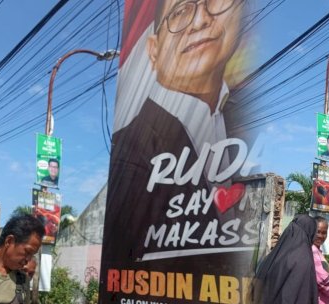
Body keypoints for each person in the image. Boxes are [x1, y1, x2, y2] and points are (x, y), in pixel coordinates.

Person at [102, 0, 248, 263]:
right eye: (181, 12)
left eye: (214, 3)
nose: (201, 20)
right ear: (153, 50)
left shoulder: (242, 126)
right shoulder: (131, 151)